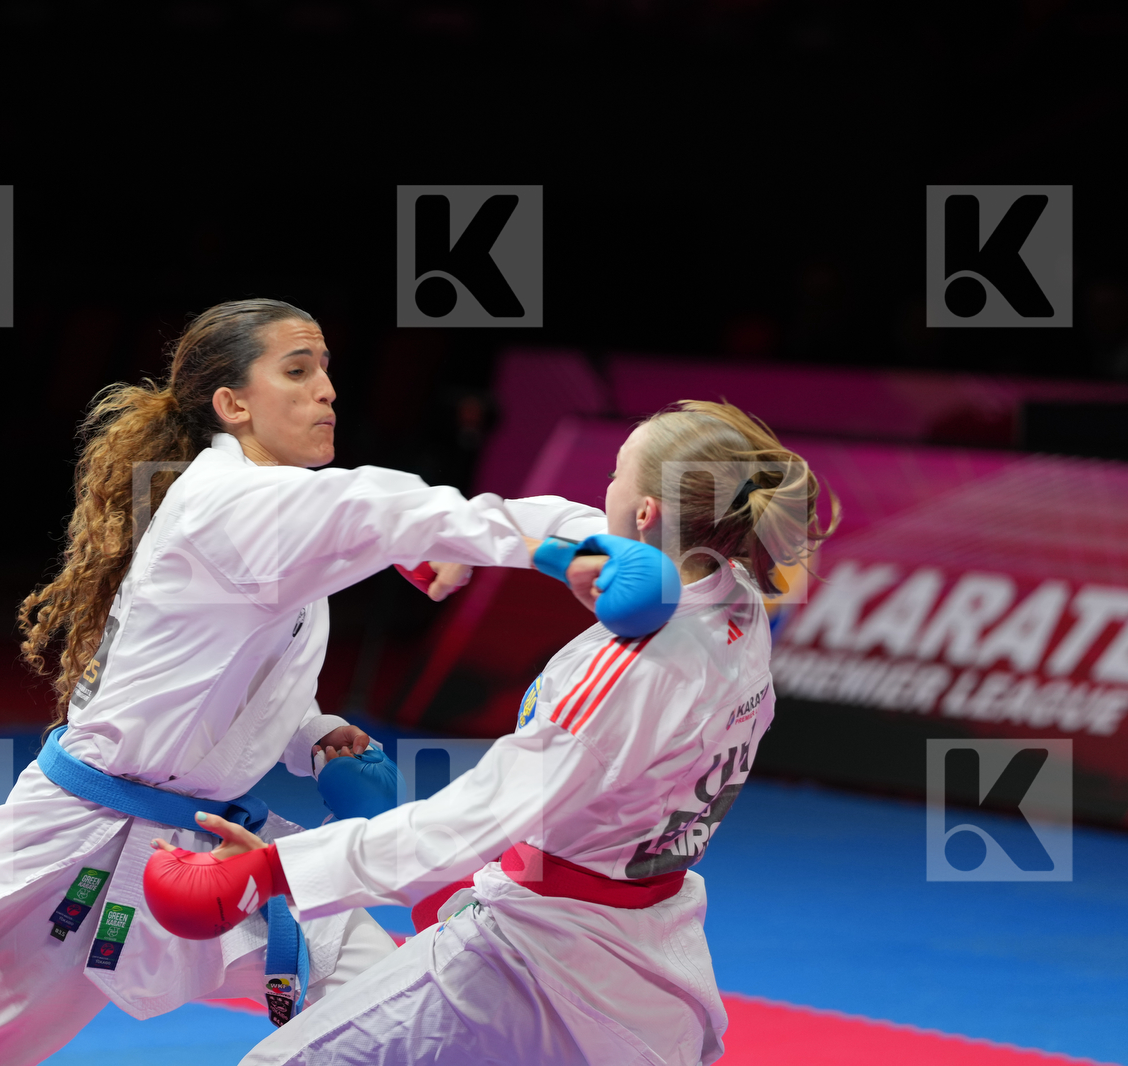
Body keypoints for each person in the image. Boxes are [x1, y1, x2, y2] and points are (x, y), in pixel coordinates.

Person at [0, 299, 666, 1066]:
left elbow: (217, 674)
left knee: (387, 1003)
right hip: (85, 850)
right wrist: (575, 544)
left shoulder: (262, 509)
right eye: (295, 370)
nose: (325, 388)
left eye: (325, 369)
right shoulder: (237, 503)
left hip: (210, 842)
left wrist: (311, 734)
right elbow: (391, 507)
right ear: (233, 405)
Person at [144, 400, 836, 1066]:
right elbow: (571, 523)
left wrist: (267, 872)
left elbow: (471, 821)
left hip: (532, 964)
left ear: (648, 513)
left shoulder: (621, 675)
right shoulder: (739, 602)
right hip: (648, 959)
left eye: (615, 477)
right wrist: (435, 537)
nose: (603, 493)